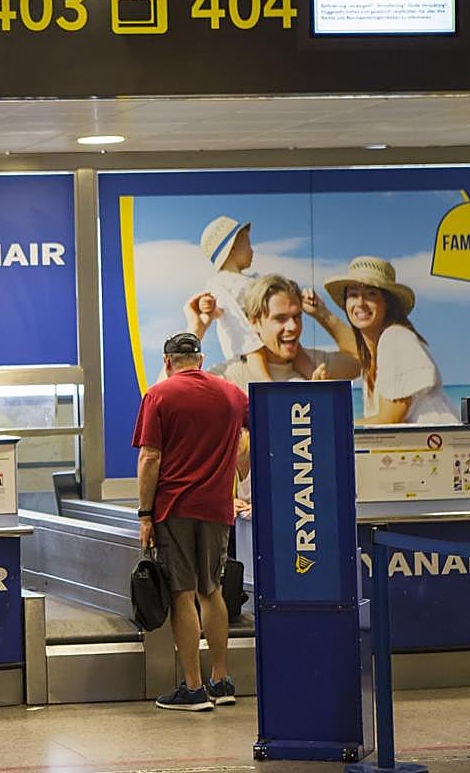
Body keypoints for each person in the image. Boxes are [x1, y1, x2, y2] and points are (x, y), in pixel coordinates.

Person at [133, 332, 248, 712]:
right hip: (218, 509)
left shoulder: (160, 395)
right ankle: (222, 678)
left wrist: (145, 514)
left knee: (182, 593)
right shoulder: (232, 394)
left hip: (174, 509)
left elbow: (150, 457)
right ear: (200, 359)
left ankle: (194, 688)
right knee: (212, 589)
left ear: (168, 362)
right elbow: (254, 435)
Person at [323, 256, 457, 425]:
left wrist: (333, 427)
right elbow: (350, 347)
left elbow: (390, 419)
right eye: (353, 294)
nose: (360, 302)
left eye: (371, 294)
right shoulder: (373, 355)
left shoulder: (395, 337)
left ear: (388, 302)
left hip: (439, 447)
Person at [188, 274, 360, 392]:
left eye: (297, 316)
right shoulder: (233, 375)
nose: (293, 326)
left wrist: (322, 314)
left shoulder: (315, 365)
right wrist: (196, 329)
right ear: (254, 322)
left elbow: (360, 360)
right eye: (280, 318)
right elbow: (166, 399)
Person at [198, 216, 317, 381]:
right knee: (256, 355)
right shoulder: (220, 283)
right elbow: (218, 310)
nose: (252, 250)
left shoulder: (253, 280)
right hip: (246, 340)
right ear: (232, 249)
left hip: (268, 336)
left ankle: (314, 375)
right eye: (247, 244)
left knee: (298, 352)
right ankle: (268, 386)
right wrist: (208, 306)